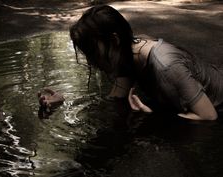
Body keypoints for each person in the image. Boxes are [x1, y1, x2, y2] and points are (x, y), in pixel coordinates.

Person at [40, 5, 223, 121]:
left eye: (93, 52)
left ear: (114, 40)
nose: (91, 61)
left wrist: (152, 116)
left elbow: (208, 116)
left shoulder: (166, 65)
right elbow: (115, 101)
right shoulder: (126, 54)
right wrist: (64, 102)